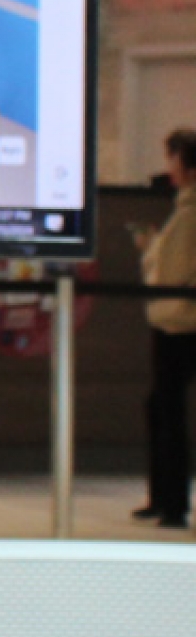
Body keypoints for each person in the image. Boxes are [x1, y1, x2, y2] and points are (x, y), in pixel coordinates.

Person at [135, 128, 196, 530]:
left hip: (181, 325)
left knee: (169, 411)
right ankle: (165, 497)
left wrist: (149, 251)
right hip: (179, 322)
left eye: (172, 158)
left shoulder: (190, 212)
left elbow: (172, 271)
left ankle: (172, 502)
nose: (168, 167)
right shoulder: (184, 208)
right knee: (161, 407)